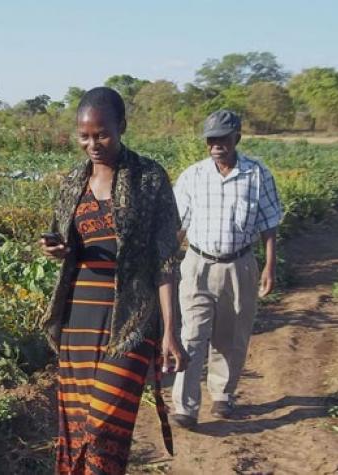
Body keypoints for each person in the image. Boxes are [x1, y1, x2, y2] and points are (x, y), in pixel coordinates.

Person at [39, 87, 188, 475]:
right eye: (84, 136)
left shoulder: (149, 178)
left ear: (121, 127)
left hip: (131, 323)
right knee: (76, 428)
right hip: (79, 321)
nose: (93, 144)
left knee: (104, 425)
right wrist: (58, 250)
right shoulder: (74, 180)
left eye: (101, 134)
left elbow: (166, 260)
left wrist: (171, 331)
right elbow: (66, 241)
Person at [170, 110, 283, 428]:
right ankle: (185, 406)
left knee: (231, 336)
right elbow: (179, 225)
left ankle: (222, 395)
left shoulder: (257, 174)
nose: (216, 144)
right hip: (197, 265)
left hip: (240, 265)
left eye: (223, 138)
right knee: (192, 335)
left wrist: (269, 266)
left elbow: (269, 224)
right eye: (211, 139)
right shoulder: (193, 176)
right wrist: (165, 259)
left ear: (237, 138)